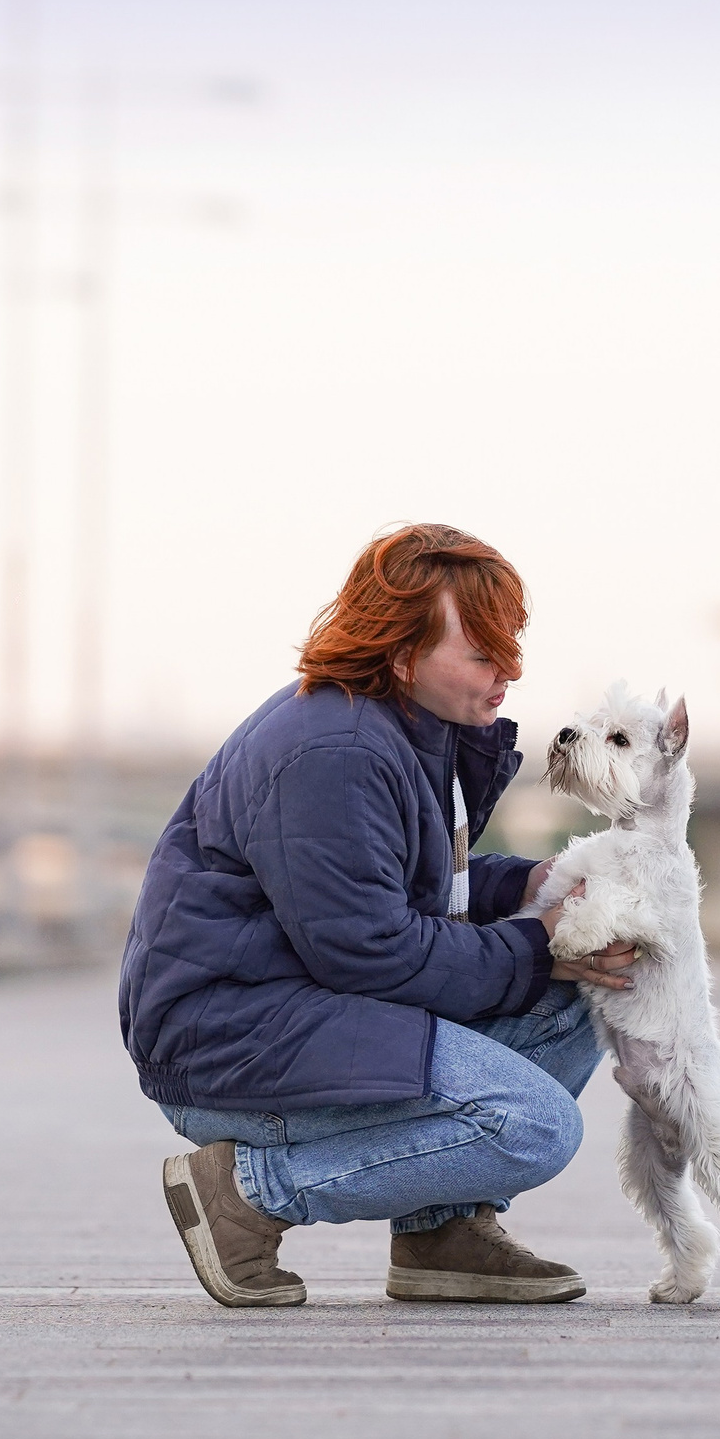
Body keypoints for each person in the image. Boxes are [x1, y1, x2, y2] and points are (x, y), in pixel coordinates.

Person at [119, 524, 638, 1307]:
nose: (511, 669)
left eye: (511, 642)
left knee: (577, 997)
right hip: (231, 1042)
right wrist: (538, 944)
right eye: (483, 650)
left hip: (308, 1014)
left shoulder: (413, 733)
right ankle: (246, 1190)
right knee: (533, 1127)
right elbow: (373, 950)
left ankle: (442, 1230)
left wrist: (545, 883)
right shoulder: (333, 751)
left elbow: (422, 894)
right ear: (402, 655)